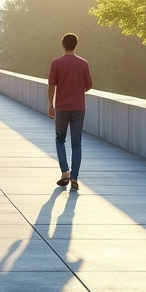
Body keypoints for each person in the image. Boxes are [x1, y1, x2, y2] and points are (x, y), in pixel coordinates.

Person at [47, 33, 93, 191]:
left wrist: (50, 104)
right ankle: (74, 177)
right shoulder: (83, 63)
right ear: (76, 45)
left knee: (60, 139)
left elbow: (52, 85)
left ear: (62, 44)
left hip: (62, 107)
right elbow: (89, 84)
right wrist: (78, 91)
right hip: (79, 107)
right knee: (76, 143)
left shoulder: (56, 63)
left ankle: (65, 172)